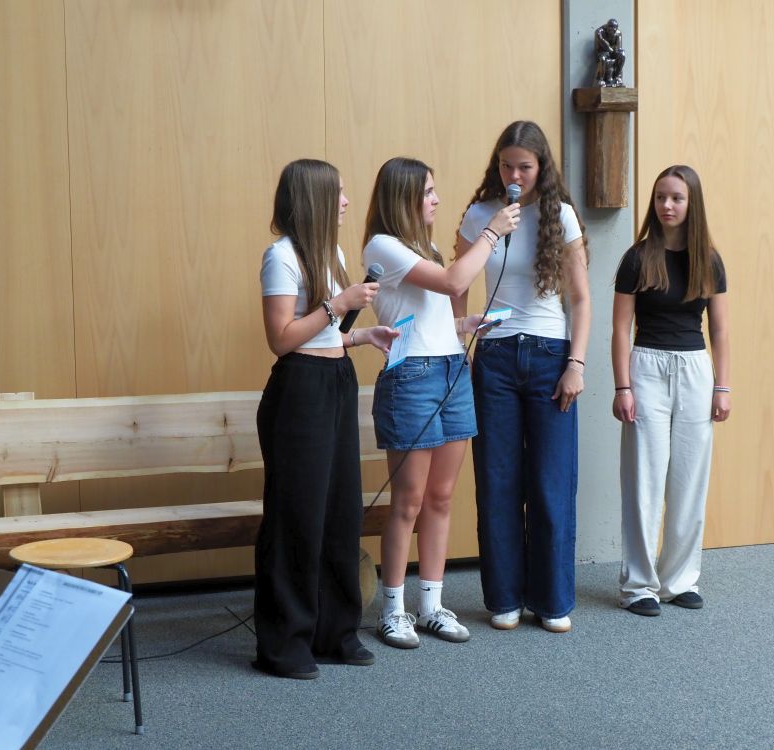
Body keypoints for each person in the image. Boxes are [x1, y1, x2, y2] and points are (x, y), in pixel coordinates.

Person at [362, 156, 519, 649]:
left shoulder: (423, 247)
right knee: (407, 500)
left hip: (451, 369)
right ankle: (394, 609)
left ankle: (431, 605)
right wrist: (491, 232)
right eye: (428, 192)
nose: (436, 199)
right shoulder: (382, 245)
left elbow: (428, 314)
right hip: (412, 378)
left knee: (441, 497)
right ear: (404, 197)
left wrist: (462, 326)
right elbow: (454, 282)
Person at [253, 158, 398, 679]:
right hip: (299, 391)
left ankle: (336, 633)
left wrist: (360, 335)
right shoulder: (281, 257)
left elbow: (322, 333)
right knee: (298, 516)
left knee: (340, 512)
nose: (346, 201)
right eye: (337, 192)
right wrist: (339, 304)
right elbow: (282, 339)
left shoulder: (331, 253)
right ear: (313, 199)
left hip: (336, 380)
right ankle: (285, 644)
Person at [456, 120, 591, 634]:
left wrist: (576, 364)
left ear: (542, 167)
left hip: (550, 355)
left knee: (552, 480)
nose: (514, 176)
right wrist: (461, 345)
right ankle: (505, 596)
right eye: (506, 166)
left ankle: (552, 600)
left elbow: (580, 298)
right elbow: (457, 285)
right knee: (497, 480)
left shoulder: (562, 215)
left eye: (525, 167)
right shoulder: (480, 214)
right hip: (494, 356)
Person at [611, 164, 731, 617]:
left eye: (677, 198)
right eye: (661, 197)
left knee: (689, 479)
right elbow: (620, 329)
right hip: (646, 367)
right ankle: (639, 585)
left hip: (696, 370)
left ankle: (680, 580)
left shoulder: (709, 260)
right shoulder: (637, 258)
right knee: (644, 478)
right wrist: (623, 386)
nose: (667, 205)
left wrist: (722, 386)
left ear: (691, 203)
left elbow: (719, 330)